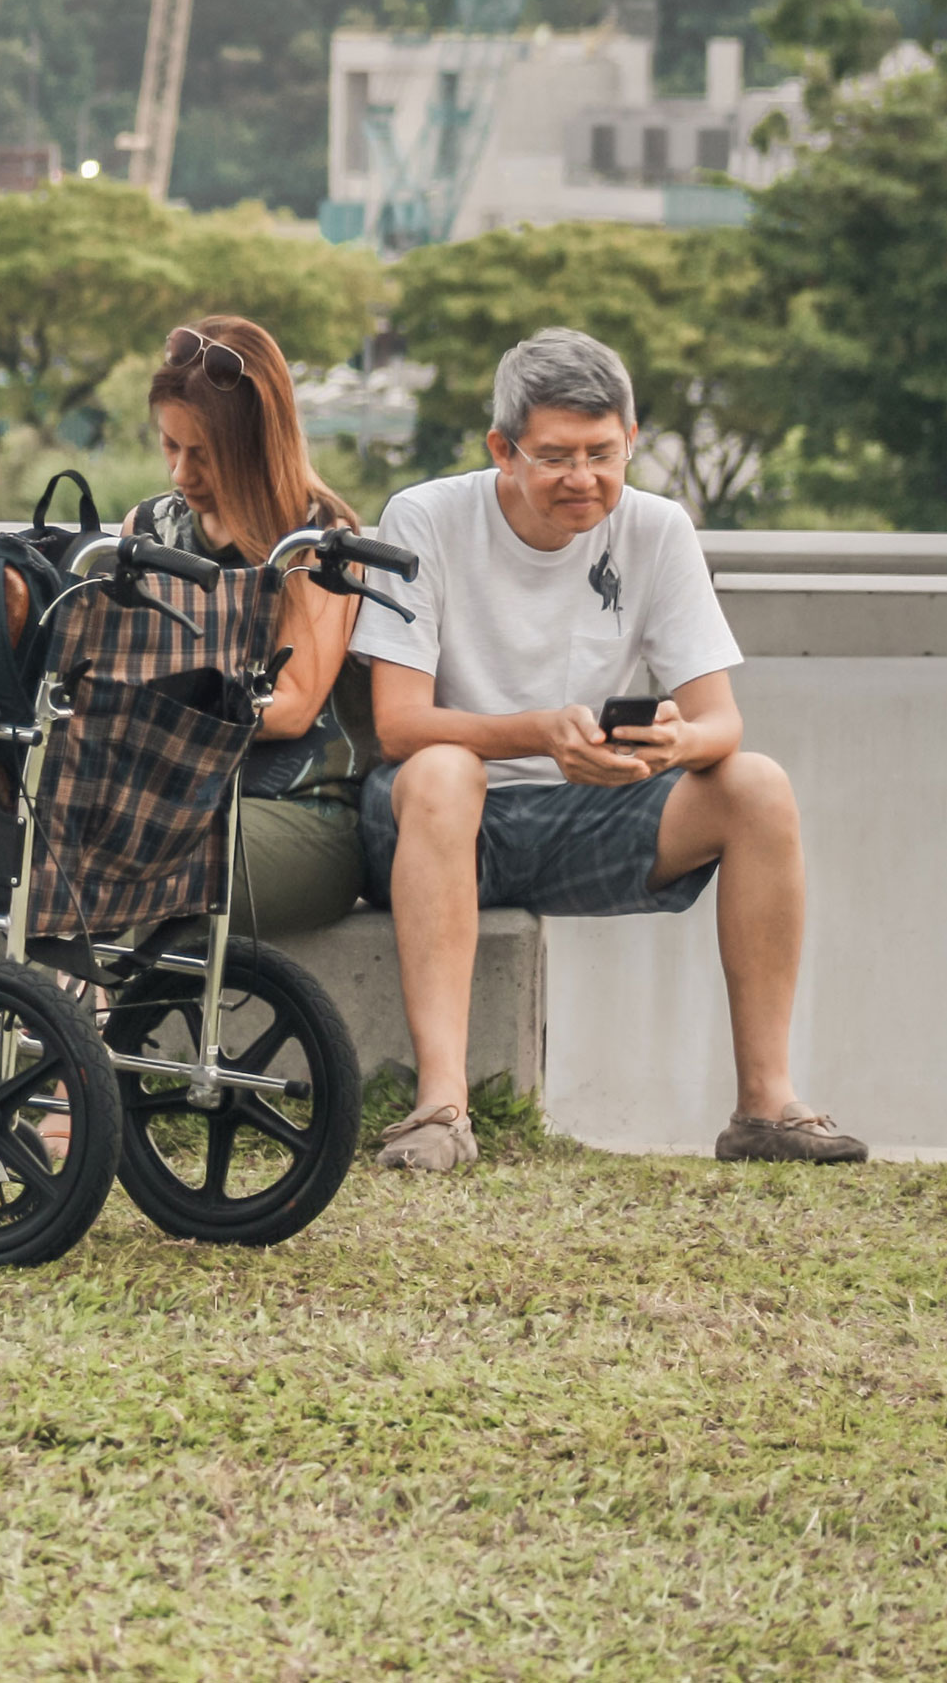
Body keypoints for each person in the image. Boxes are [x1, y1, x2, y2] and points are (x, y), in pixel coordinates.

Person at [354, 327, 867, 1171]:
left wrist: (673, 743)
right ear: (502, 448)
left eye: (602, 452)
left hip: (585, 811)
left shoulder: (657, 529)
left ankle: (763, 1107)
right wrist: (535, 731)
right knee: (445, 768)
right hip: (438, 820)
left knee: (757, 785)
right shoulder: (425, 516)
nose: (582, 479)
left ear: (631, 438)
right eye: (554, 456)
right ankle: (439, 1107)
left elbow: (719, 721)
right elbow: (399, 725)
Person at [125, 315, 374, 939]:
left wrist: (152, 717)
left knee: (116, 860)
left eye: (204, 455)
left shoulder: (320, 540)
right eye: (170, 447)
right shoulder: (149, 528)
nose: (181, 474)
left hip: (297, 814)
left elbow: (291, 708)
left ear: (257, 444)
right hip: (174, 799)